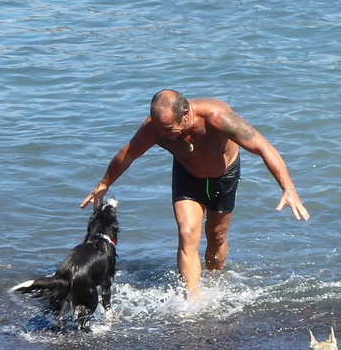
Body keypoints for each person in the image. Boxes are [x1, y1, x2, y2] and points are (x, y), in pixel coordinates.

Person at [82, 91, 309, 297]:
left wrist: (288, 188)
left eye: (169, 130)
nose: (162, 135)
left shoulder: (219, 119)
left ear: (186, 114)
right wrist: (104, 183)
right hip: (187, 175)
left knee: (217, 236)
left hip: (224, 175)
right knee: (187, 232)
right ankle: (191, 301)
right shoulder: (155, 129)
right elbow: (128, 154)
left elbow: (263, 147)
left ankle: (214, 281)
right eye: (159, 128)